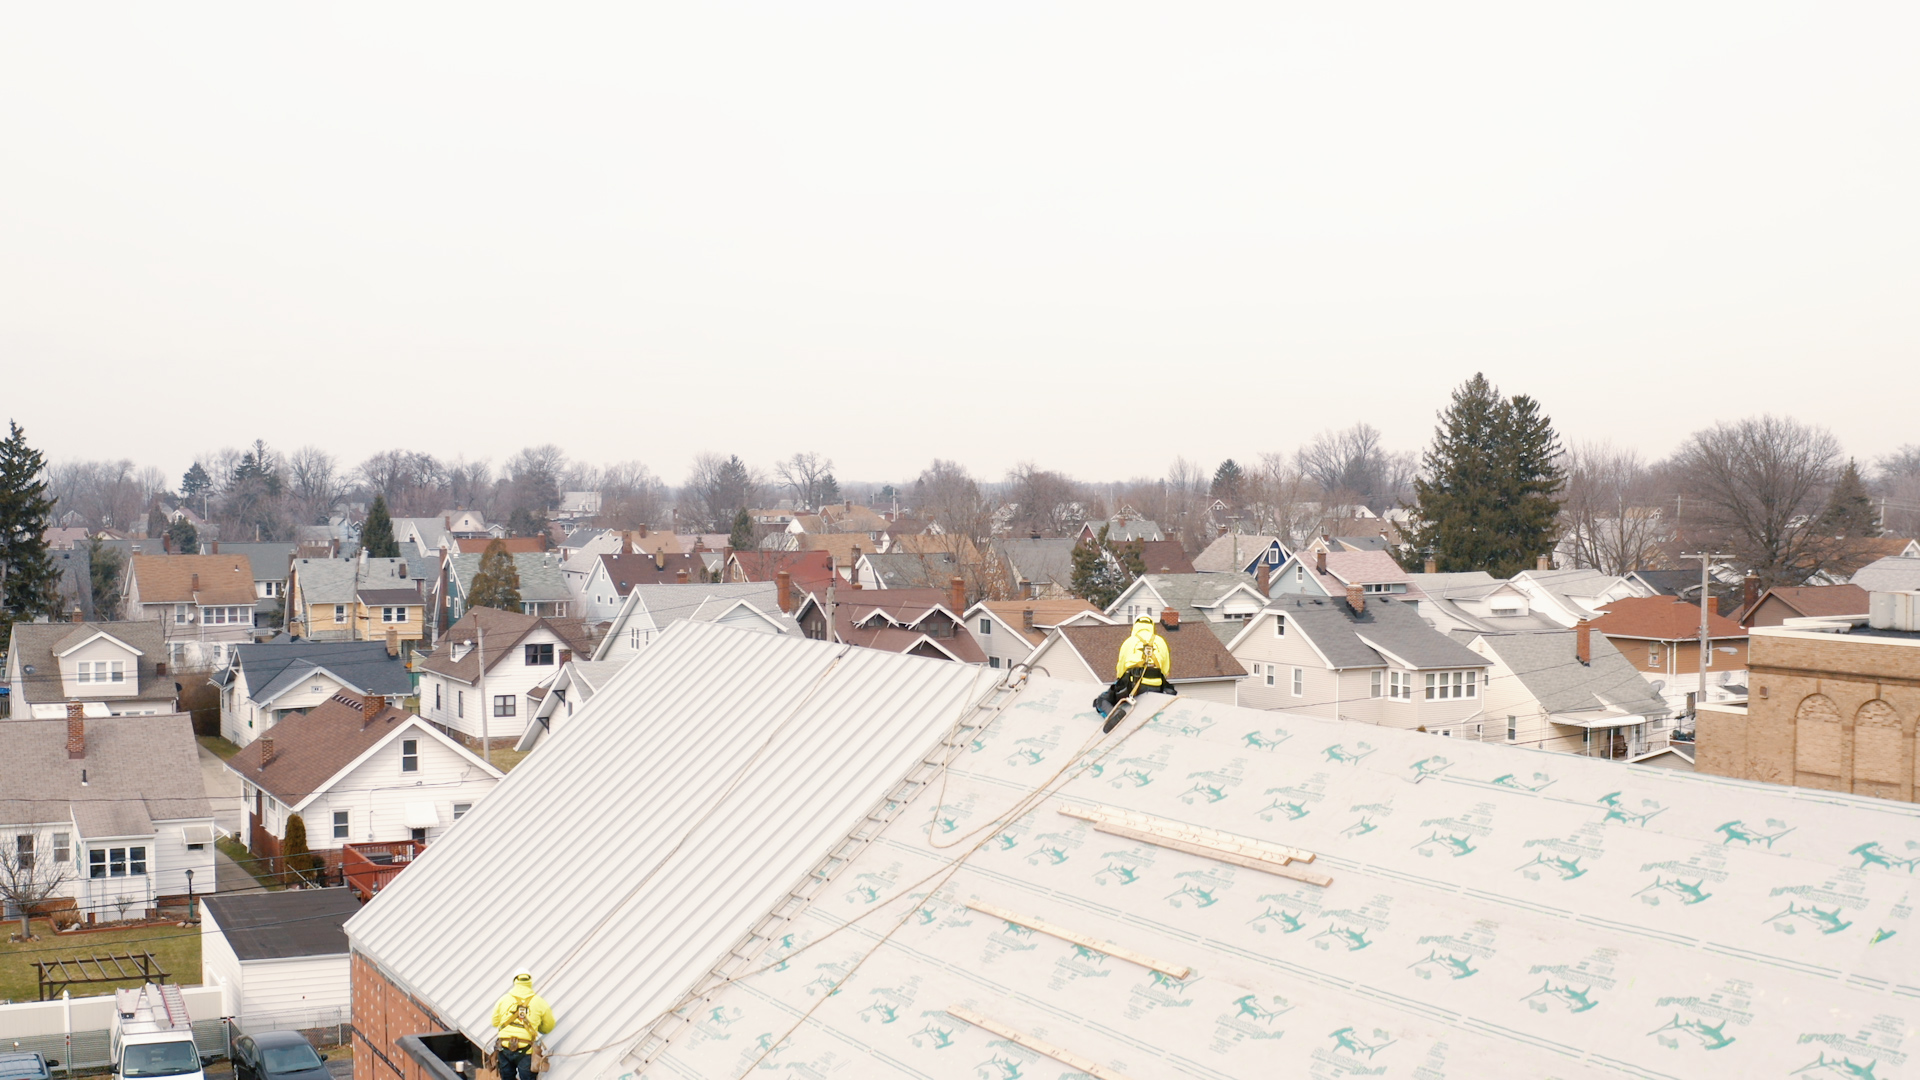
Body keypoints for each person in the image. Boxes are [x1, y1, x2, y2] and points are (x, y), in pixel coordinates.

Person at [1093, 614, 1176, 726]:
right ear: (1152, 626)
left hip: (1133, 687)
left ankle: (1114, 715)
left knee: (1101, 700)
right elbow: (1165, 670)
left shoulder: (1129, 642)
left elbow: (1121, 670)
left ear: (1135, 626)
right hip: (1157, 686)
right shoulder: (1161, 642)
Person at [491, 969, 555, 1080]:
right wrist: (536, 1026)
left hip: (504, 1047)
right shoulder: (539, 1002)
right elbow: (548, 1027)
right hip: (526, 1050)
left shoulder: (504, 999)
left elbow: (495, 1022)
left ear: (515, 981)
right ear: (530, 982)